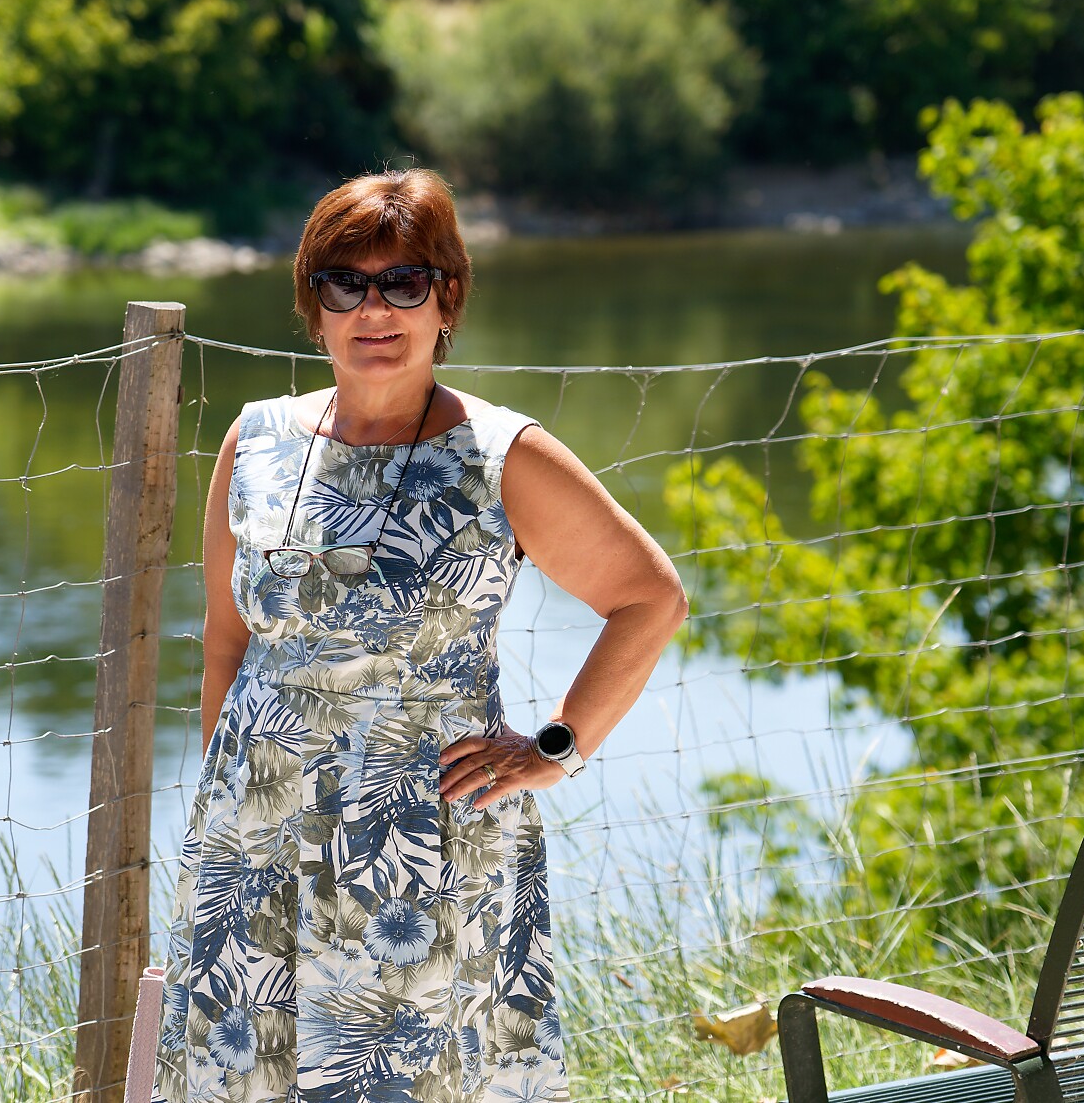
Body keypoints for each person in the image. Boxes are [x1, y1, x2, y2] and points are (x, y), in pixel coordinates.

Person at [154, 168, 688, 1103]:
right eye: (345, 284)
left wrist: (557, 747)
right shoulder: (255, 441)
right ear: (313, 305)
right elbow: (228, 647)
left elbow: (651, 599)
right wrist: (228, 821)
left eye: (404, 282)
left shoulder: (503, 456)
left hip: (421, 842)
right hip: (255, 838)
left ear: (448, 299)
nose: (375, 310)